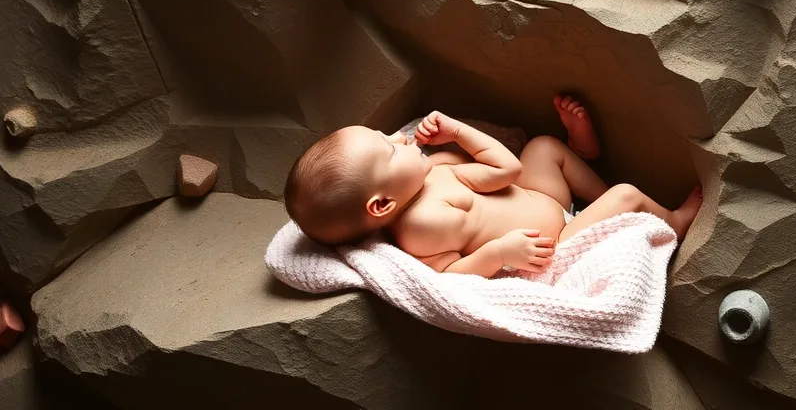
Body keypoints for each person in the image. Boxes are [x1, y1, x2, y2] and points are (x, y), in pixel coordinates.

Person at [284, 95, 703, 278]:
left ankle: (585, 160)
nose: (400, 137)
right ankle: (675, 220)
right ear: (381, 205)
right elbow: (450, 275)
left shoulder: (435, 170)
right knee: (626, 194)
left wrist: (458, 133)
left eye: (386, 134)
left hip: (544, 199)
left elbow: (505, 170)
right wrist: (499, 253)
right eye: (390, 149)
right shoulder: (420, 228)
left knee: (541, 148)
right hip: (554, 239)